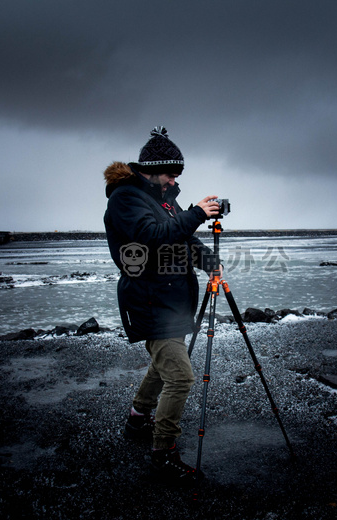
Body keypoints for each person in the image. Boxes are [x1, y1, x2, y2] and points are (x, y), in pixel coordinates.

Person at [103, 126, 220, 484]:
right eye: (171, 173)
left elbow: (179, 236)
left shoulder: (161, 198)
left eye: (177, 175)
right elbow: (152, 238)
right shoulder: (126, 198)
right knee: (181, 376)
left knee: (164, 364)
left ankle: (138, 419)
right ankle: (163, 453)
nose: (174, 181)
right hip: (150, 300)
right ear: (151, 169)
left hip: (171, 300)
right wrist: (197, 213)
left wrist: (208, 262)